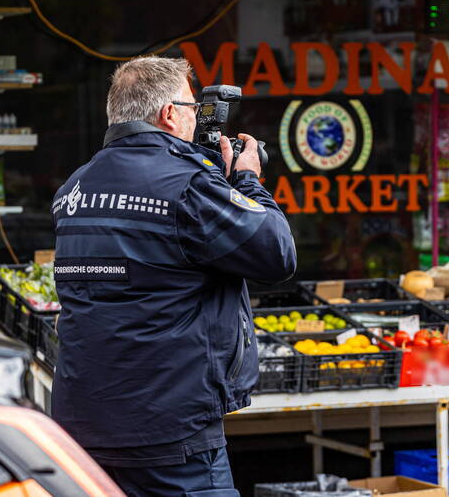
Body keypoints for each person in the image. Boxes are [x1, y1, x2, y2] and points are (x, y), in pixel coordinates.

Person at [50, 56, 297, 497]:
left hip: (84, 429)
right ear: (168, 114)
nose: (196, 120)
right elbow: (277, 253)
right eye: (191, 108)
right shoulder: (188, 186)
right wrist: (246, 180)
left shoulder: (75, 188)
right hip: (171, 435)